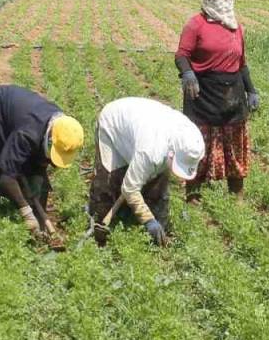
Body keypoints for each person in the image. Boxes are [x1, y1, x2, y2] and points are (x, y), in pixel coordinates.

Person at [174, 0, 259, 201]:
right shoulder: (196, 23)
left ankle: (236, 199)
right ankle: (193, 198)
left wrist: (251, 90)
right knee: (197, 148)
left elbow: (242, 64)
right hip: (202, 95)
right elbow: (182, 55)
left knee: (234, 149)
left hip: (232, 96)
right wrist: (188, 72)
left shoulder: (236, 28)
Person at [0, 85, 84, 238]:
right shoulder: (28, 133)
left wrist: (41, 219)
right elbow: (6, 177)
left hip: (12, 121)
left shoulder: (61, 126)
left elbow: (39, 169)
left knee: (34, 180)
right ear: (50, 140)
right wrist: (26, 211)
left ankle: (37, 227)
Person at [87, 97, 205, 246]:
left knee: (156, 188)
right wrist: (149, 221)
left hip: (144, 127)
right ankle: (99, 225)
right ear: (172, 154)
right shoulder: (150, 151)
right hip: (113, 126)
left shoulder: (192, 139)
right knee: (109, 183)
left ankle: (158, 233)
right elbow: (129, 189)